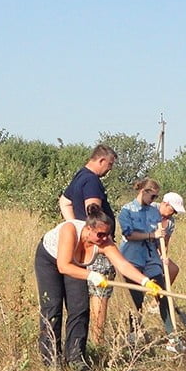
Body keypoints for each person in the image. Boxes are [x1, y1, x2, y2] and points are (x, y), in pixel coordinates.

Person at [35, 205, 162, 371]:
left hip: (75, 265)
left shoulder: (104, 242)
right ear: (88, 229)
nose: (104, 239)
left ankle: (75, 358)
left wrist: (145, 282)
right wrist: (91, 276)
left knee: (80, 308)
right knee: (52, 307)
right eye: (100, 234)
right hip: (50, 261)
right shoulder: (70, 230)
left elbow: (123, 265)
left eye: (107, 235)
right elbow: (64, 266)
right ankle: (51, 360)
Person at [118, 180, 186, 353]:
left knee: (162, 293)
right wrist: (151, 235)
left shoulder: (154, 213)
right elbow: (128, 234)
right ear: (143, 191)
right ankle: (134, 336)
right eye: (153, 195)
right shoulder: (127, 210)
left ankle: (173, 338)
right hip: (132, 258)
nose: (155, 199)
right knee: (136, 299)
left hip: (151, 260)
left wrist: (162, 253)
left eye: (157, 196)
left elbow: (161, 238)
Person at [59, 144, 117, 345]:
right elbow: (94, 212)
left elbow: (64, 202)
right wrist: (97, 236)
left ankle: (81, 345)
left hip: (83, 245)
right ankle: (97, 343)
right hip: (96, 248)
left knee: (81, 301)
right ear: (101, 160)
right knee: (99, 297)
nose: (109, 170)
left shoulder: (79, 176)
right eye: (109, 165)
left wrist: (73, 225)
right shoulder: (92, 180)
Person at [154, 191, 186, 285]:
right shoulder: (150, 209)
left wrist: (163, 256)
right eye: (173, 210)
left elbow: (165, 243)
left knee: (173, 269)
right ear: (166, 204)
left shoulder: (170, 222)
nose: (174, 214)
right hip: (141, 251)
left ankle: (158, 299)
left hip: (154, 255)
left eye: (176, 212)